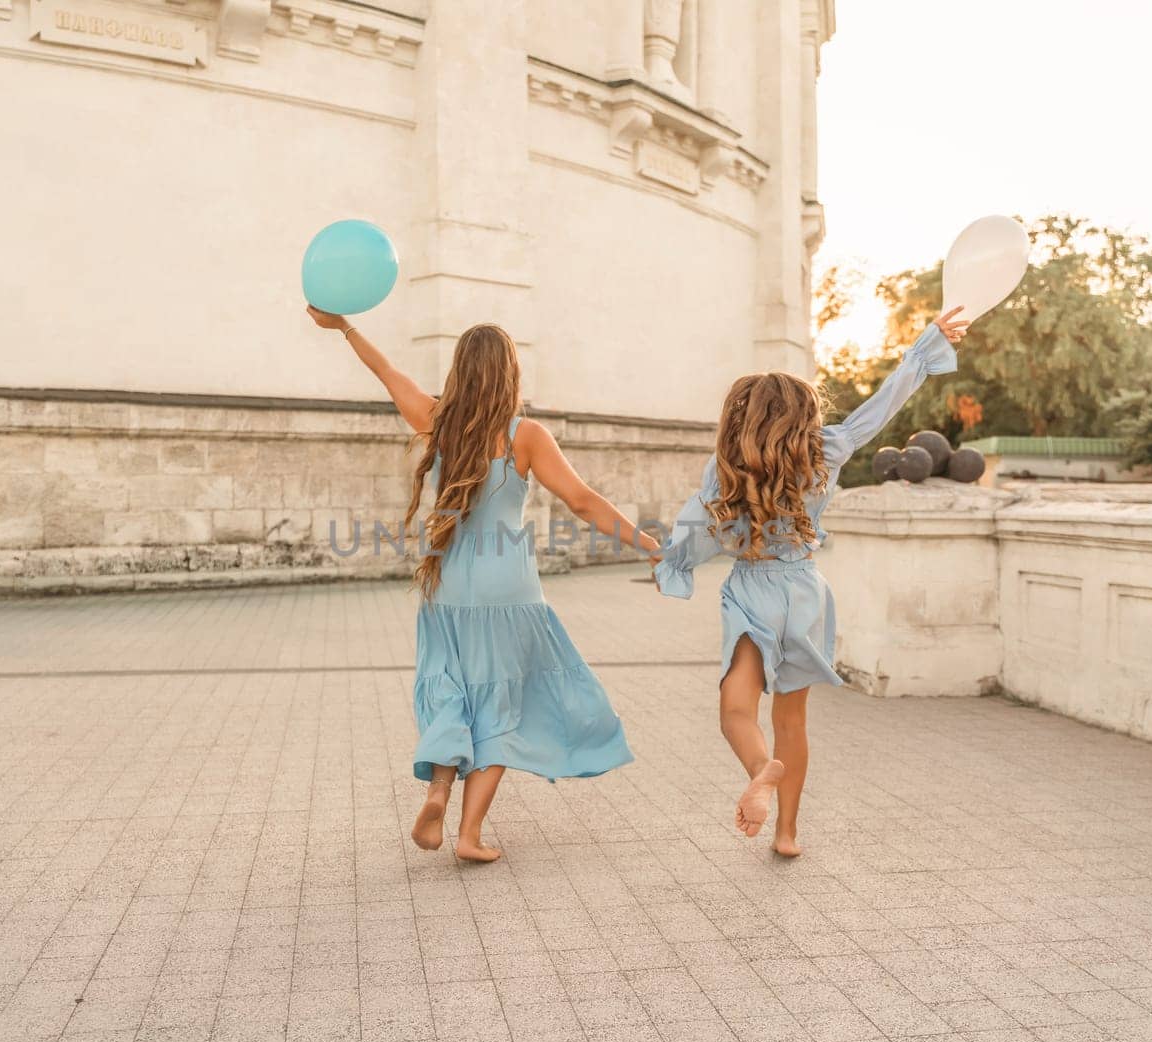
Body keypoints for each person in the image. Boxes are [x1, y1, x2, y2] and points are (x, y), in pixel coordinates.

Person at [307, 309, 658, 862]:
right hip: (508, 591)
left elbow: (387, 372)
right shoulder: (526, 436)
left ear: (460, 371)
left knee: (451, 689)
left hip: (446, 583)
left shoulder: (437, 420)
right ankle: (468, 836)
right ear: (510, 375)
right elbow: (583, 500)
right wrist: (647, 544)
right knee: (500, 707)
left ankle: (439, 789)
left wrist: (345, 328)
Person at [653, 308, 970, 856]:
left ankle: (760, 770)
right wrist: (926, 347)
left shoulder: (727, 465)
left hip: (753, 589)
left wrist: (671, 564)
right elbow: (882, 408)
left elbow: (698, 529)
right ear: (804, 413)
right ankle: (787, 834)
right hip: (804, 592)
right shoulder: (829, 450)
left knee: (736, 710)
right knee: (791, 718)